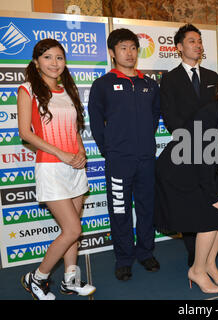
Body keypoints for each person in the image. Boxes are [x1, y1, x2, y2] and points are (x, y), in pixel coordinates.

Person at [154, 68, 218, 293]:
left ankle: (209, 264)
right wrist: (213, 196)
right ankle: (197, 270)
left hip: (201, 171)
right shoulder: (209, 115)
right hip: (177, 173)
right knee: (209, 217)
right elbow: (202, 163)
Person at [17, 38, 95, 299]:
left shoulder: (67, 91)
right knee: (72, 229)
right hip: (51, 168)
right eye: (47, 57)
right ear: (36, 61)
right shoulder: (27, 90)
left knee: (74, 229)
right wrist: (62, 153)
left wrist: (80, 151)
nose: (54, 63)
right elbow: (25, 133)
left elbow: (73, 130)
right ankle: (37, 278)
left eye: (59, 57)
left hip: (75, 167)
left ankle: (70, 279)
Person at [88, 28, 160, 281]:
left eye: (132, 48)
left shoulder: (149, 84)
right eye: (122, 48)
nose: (129, 53)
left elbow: (154, 118)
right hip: (119, 160)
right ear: (112, 53)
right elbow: (96, 122)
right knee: (119, 210)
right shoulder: (103, 85)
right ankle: (124, 258)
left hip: (146, 159)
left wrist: (142, 146)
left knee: (147, 208)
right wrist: (110, 150)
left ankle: (145, 252)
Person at [160, 24, 218, 266]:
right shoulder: (170, 79)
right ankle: (195, 254)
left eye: (200, 41)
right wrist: (192, 141)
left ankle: (216, 247)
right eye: (192, 41)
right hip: (186, 150)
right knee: (192, 203)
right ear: (179, 47)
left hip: (214, 150)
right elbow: (171, 117)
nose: (198, 45)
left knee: (214, 194)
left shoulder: (214, 78)